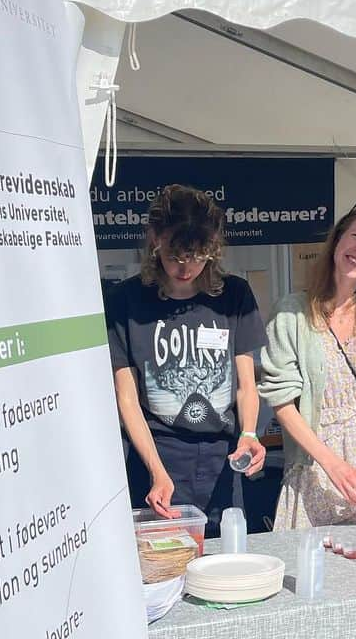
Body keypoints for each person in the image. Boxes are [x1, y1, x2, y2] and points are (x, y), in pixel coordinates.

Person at [107, 184, 267, 532]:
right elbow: (127, 399)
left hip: (220, 457)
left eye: (197, 257)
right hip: (156, 454)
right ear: (155, 240)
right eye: (175, 257)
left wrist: (250, 434)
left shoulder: (235, 294)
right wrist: (156, 470)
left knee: (221, 564)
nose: (186, 268)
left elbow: (245, 384)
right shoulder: (125, 300)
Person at [259, 199, 356, 528]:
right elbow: (282, 401)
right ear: (337, 239)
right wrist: (332, 466)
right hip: (315, 470)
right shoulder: (292, 312)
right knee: (310, 574)